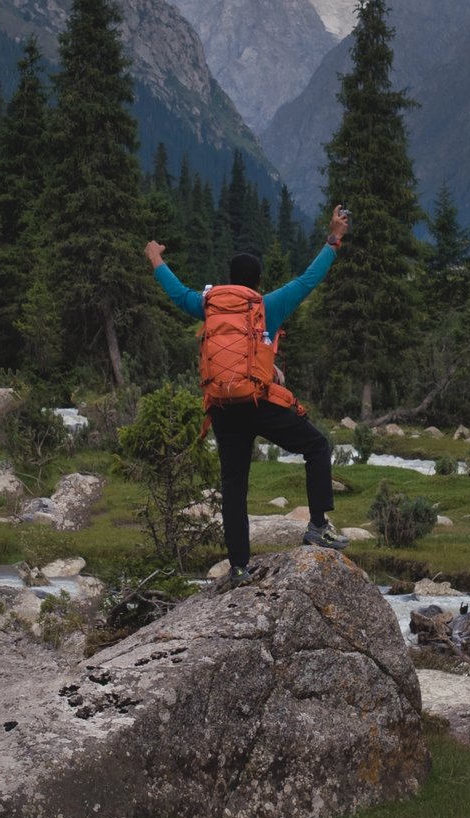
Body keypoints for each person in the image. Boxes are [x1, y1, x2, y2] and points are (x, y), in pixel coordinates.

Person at [145, 205, 352, 584]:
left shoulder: (207, 306)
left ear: (230, 280)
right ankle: (318, 526)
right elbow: (309, 280)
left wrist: (156, 258)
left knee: (234, 485)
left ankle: (239, 567)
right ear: (257, 282)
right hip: (259, 403)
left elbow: (176, 293)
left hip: (222, 407)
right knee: (317, 446)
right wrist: (333, 239)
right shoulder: (266, 305)